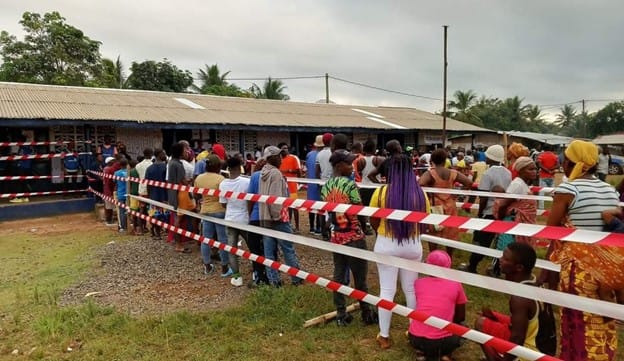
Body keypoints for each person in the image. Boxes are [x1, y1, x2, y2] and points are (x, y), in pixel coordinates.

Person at [541, 140, 622, 361]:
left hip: (580, 267)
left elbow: (552, 230)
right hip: (608, 267)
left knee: (577, 319)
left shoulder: (568, 188)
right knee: (603, 318)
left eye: (564, 158)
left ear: (569, 163)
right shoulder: (609, 189)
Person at [369, 154, 428, 349]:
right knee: (411, 289)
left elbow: (373, 219)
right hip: (412, 244)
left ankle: (384, 336)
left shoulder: (382, 192)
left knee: (387, 290)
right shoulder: (420, 193)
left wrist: (382, 232)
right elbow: (425, 223)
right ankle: (414, 331)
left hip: (387, 242)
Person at [320, 149, 378, 327]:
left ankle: (341, 313)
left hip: (337, 236)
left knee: (339, 275)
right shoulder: (350, 185)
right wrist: (365, 225)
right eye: (348, 163)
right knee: (360, 278)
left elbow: (328, 213)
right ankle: (367, 313)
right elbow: (358, 210)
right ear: (339, 166)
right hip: (353, 236)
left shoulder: (326, 186)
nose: (352, 166)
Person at [476, 242, 540, 361]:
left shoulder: (520, 298)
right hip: (534, 337)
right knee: (487, 315)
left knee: (480, 323)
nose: (500, 260)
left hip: (528, 351)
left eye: (505, 258)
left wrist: (506, 359)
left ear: (519, 267)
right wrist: (496, 316)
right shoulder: (533, 281)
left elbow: (517, 337)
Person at [459, 145, 511, 274]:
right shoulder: (508, 172)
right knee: (499, 242)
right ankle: (496, 268)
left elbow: (483, 197)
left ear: (490, 157)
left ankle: (472, 266)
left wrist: (480, 213)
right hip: (502, 212)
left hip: (488, 212)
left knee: (480, 241)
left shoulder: (488, 173)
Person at [409, 250, 467, 361]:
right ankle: (445, 354)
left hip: (415, 338)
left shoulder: (418, 283)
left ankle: (422, 353)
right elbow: (461, 317)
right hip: (442, 341)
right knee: (463, 327)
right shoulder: (456, 284)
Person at [259, 146, 302, 287]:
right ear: (272, 158)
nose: (280, 159)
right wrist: (277, 216)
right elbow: (275, 198)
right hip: (277, 217)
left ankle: (274, 281)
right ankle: (296, 278)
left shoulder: (262, 172)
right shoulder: (276, 173)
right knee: (287, 248)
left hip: (264, 216)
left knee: (269, 251)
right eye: (278, 156)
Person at [418, 148, 473, 256]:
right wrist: (458, 193)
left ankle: (433, 258)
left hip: (435, 207)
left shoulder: (431, 173)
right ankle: (449, 258)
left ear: (432, 160)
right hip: (450, 205)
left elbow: (420, 184)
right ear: (445, 160)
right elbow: (469, 183)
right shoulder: (453, 172)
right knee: (451, 233)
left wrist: (429, 194)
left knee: (434, 232)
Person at [195, 154, 229, 276]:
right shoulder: (221, 179)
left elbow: (197, 195)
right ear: (218, 166)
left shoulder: (199, 178)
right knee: (222, 239)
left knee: (206, 238)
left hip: (205, 211)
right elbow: (225, 197)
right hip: (219, 210)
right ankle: (225, 267)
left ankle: (207, 266)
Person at [219, 156, 250, 287]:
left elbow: (223, 204)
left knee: (232, 249)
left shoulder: (223, 184)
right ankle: (256, 272)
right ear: (239, 167)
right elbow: (250, 202)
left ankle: (237, 277)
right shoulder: (246, 182)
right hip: (244, 219)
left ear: (228, 169)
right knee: (253, 247)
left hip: (230, 219)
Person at [494, 157, 538, 250]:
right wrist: (501, 219)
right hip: (513, 224)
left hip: (520, 225)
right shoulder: (517, 185)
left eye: (535, 169)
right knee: (510, 252)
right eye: (530, 169)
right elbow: (503, 204)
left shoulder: (523, 184)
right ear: (521, 170)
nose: (534, 171)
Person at [246, 158, 270, 287]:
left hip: (255, 217)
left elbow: (250, 198)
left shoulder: (254, 176)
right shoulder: (277, 175)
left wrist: (250, 214)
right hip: (270, 218)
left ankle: (258, 276)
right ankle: (271, 276)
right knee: (269, 248)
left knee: (255, 249)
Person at [167, 143, 190, 253]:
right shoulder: (177, 164)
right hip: (179, 193)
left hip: (173, 192)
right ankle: (178, 244)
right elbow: (183, 180)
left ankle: (180, 242)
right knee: (178, 218)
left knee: (178, 216)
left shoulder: (171, 162)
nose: (186, 152)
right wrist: (191, 189)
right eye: (184, 150)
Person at [278, 142, 302, 233]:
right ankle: (288, 225)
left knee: (295, 206)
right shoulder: (278, 160)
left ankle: (297, 227)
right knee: (286, 207)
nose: (285, 150)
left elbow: (299, 171)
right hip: (282, 187)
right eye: (283, 148)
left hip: (292, 187)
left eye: (286, 148)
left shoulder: (293, 158)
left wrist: (290, 171)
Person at [145, 149, 168, 240]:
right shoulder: (166, 167)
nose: (165, 155)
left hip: (153, 195)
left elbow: (148, 184)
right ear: (159, 155)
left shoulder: (149, 168)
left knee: (154, 214)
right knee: (165, 214)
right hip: (165, 195)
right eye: (163, 153)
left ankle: (156, 232)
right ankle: (164, 231)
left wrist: (149, 195)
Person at [306, 135, 323, 235]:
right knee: (320, 206)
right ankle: (318, 227)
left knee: (311, 206)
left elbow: (308, 168)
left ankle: (311, 227)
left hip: (311, 183)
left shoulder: (309, 155)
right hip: (320, 182)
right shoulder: (324, 155)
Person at [135, 148, 154, 233]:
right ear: (151, 154)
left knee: (142, 209)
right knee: (152, 209)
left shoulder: (138, 165)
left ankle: (141, 229)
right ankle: (153, 228)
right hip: (151, 189)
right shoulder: (152, 164)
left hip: (141, 189)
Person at [535, 145, 559, 209]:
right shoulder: (554, 156)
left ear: (544, 149)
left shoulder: (541, 155)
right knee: (553, 193)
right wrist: (551, 169)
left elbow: (539, 164)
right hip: (551, 176)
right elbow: (558, 165)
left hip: (543, 176)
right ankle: (554, 207)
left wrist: (547, 170)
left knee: (541, 193)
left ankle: (541, 208)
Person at [102, 156, 121, 226]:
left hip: (107, 189)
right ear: (109, 162)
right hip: (109, 189)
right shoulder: (108, 169)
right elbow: (109, 181)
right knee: (109, 206)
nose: (114, 162)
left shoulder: (106, 169)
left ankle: (109, 219)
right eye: (113, 161)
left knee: (109, 206)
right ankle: (109, 220)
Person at [127, 159, 142, 235]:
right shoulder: (137, 170)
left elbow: (129, 184)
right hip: (140, 192)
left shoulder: (130, 172)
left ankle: (135, 229)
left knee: (134, 212)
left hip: (133, 193)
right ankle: (141, 228)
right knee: (141, 211)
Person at [113, 158, 129, 233]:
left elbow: (114, 182)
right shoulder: (129, 172)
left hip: (120, 194)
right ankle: (130, 224)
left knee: (122, 211)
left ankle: (123, 227)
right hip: (129, 194)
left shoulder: (116, 173)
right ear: (127, 164)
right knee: (130, 210)